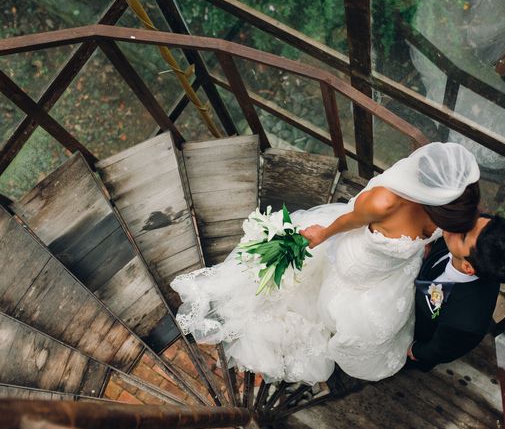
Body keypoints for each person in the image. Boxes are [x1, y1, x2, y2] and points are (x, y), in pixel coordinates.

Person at [170, 142, 480, 384]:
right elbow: (349, 220)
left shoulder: (450, 202)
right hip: (361, 264)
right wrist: (323, 234)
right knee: (336, 306)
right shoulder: (384, 202)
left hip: (396, 270)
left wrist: (422, 246)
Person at [407, 213, 505, 371]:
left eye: (464, 235)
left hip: (417, 336)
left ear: (467, 267)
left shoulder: (466, 323)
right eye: (473, 220)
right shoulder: (462, 242)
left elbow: (440, 350)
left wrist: (417, 351)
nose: (460, 223)